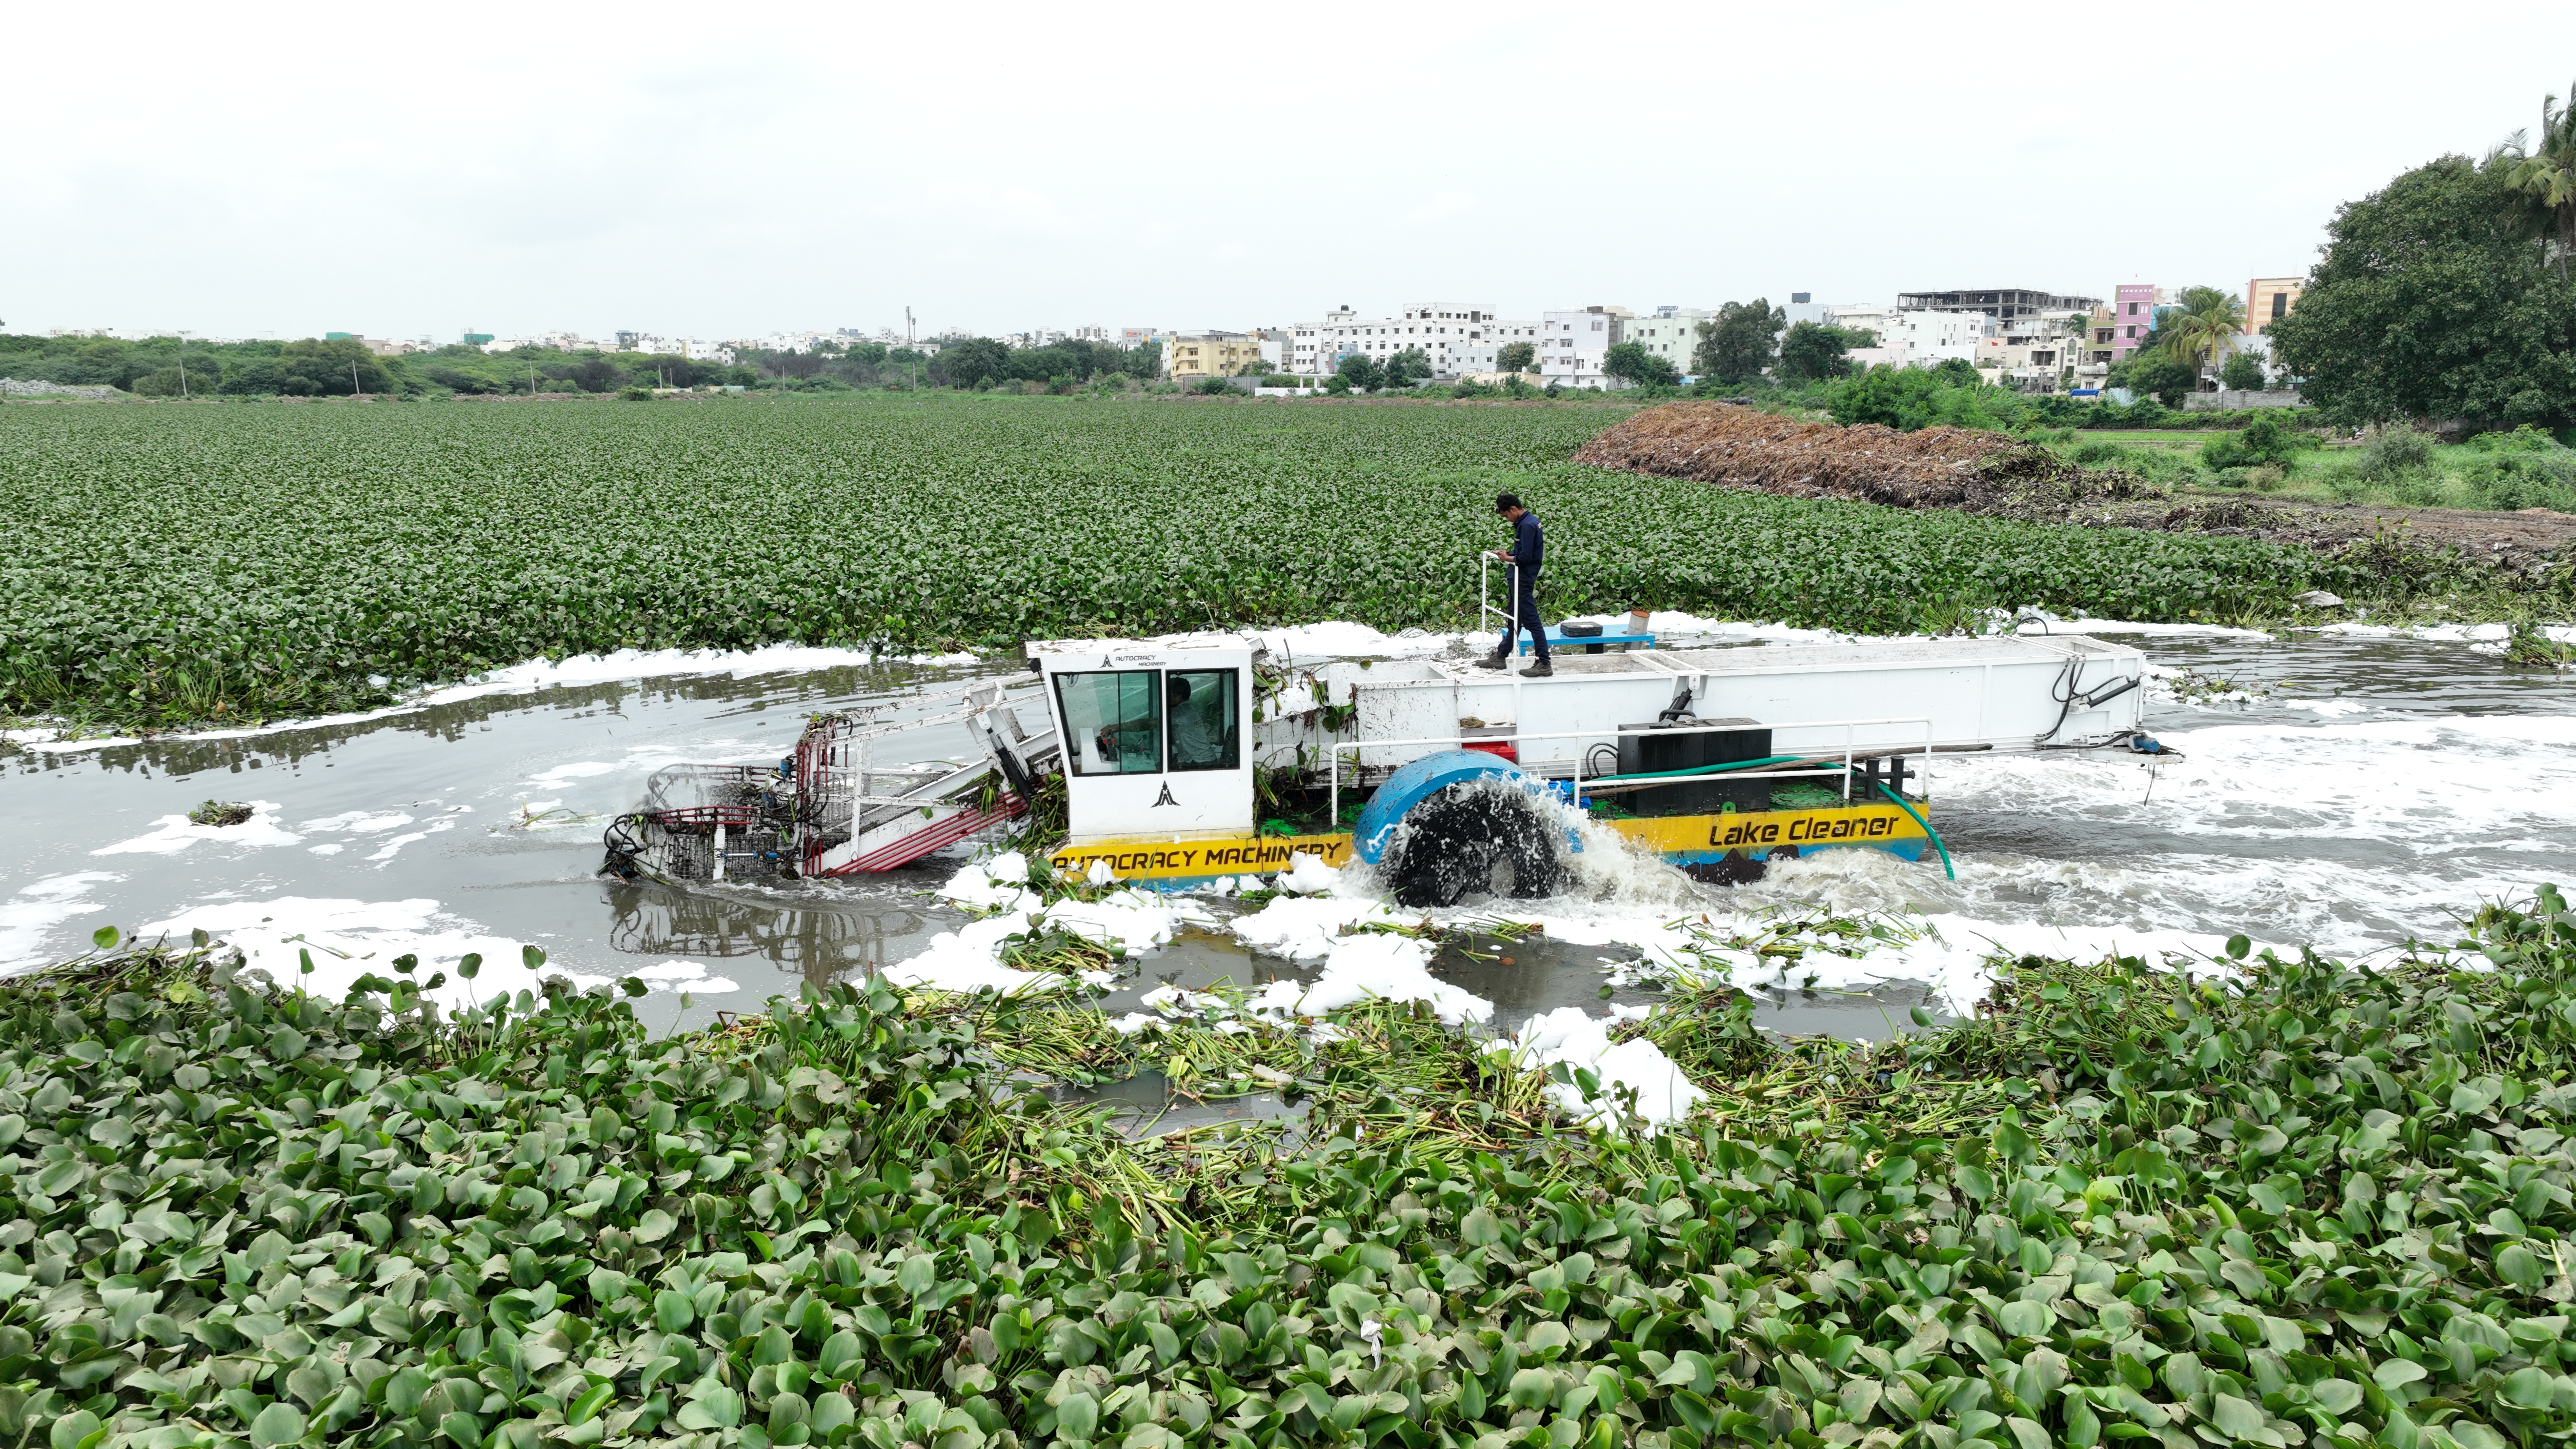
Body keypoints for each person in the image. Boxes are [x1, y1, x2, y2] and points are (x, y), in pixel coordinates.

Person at [1476, 493, 1551, 677]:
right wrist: (1509, 553)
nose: (1507, 520)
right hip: (1518, 576)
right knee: (1513, 618)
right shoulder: (1530, 521)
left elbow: (1525, 558)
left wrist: (1507, 558)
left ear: (1513, 509)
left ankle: (1544, 662)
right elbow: (1525, 550)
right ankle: (1501, 656)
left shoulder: (1526, 525)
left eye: (1506, 516)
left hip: (1523, 578)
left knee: (1532, 621)